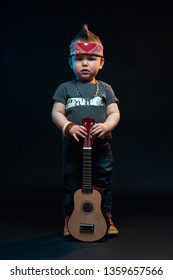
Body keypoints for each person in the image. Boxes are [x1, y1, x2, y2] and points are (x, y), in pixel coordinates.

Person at [51, 24, 120, 237]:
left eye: (90, 59)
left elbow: (115, 113)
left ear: (101, 62)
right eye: (79, 59)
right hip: (73, 146)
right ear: (70, 62)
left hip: (100, 145)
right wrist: (68, 126)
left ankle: (105, 215)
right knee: (71, 180)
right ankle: (69, 217)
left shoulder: (105, 88)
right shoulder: (65, 88)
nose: (84, 64)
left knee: (103, 180)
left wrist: (106, 125)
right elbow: (56, 112)